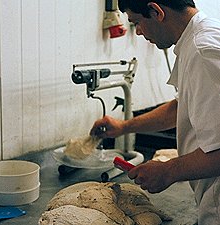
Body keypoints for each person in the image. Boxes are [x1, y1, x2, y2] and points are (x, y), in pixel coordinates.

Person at [90, 0, 220, 224]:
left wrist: (168, 171)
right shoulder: (200, 36)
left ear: (156, 11)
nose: (138, 31)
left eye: (138, 22)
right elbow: (181, 107)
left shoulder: (201, 51)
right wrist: (124, 127)